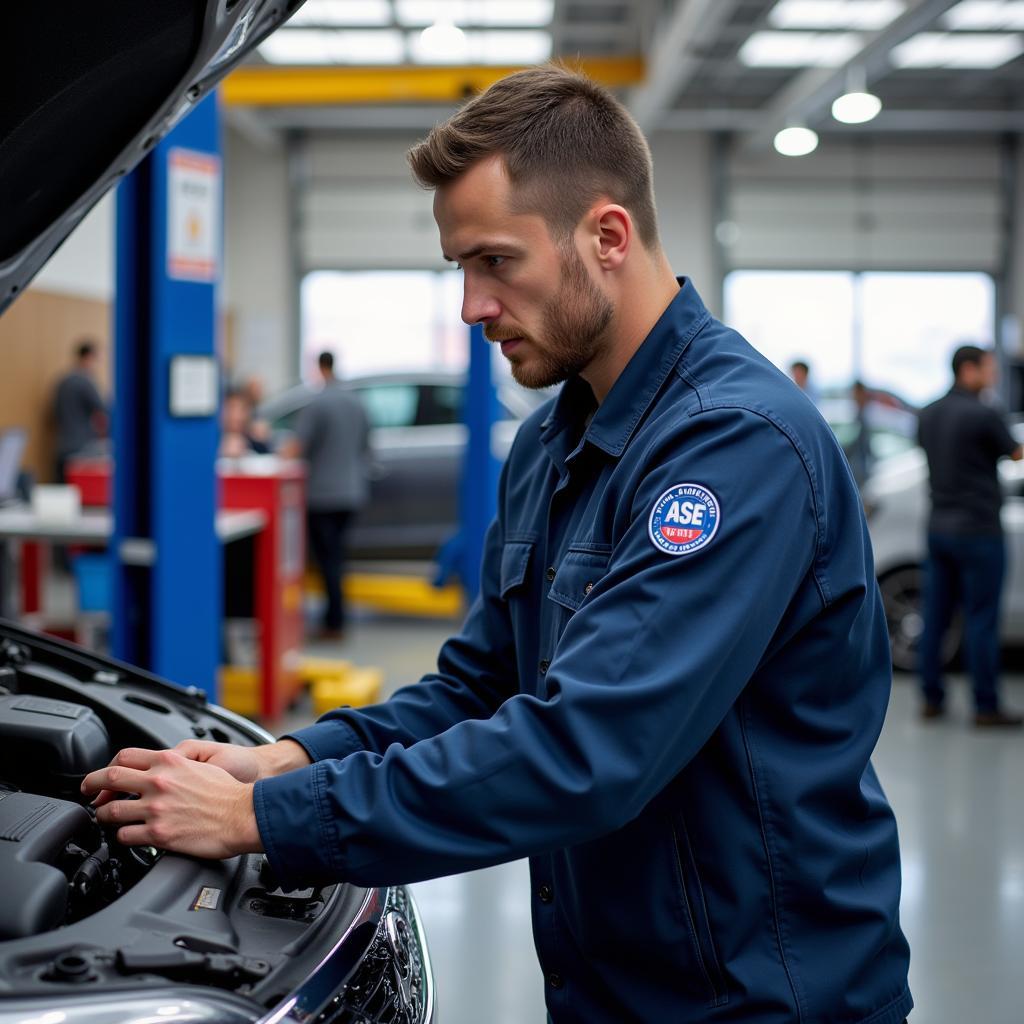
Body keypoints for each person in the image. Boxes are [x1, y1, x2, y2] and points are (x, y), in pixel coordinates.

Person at [82, 67, 912, 1024]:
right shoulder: (554, 442)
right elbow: (479, 687)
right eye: (460, 270)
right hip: (611, 987)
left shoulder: (733, 448)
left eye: (496, 263)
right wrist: (286, 761)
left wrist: (262, 822)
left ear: (607, 236)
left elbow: (588, 750)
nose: (473, 306)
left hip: (761, 997)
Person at [917, 344, 1023, 727]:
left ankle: (931, 699)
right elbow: (1015, 454)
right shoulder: (983, 413)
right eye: (988, 369)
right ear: (968, 370)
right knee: (980, 618)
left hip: (938, 528)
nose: (992, 375)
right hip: (979, 530)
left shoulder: (928, 414)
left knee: (936, 617)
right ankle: (985, 706)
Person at [283, 352, 369, 641]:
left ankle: (334, 622)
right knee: (338, 558)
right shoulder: (356, 402)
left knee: (327, 561)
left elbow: (298, 447)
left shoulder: (318, 404)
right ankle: (336, 618)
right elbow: (365, 445)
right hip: (352, 493)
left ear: (319, 368)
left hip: (322, 496)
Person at [52, 339, 107, 481]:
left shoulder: (63, 380)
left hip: (62, 445)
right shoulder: (85, 381)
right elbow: (102, 409)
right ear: (89, 357)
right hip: (81, 449)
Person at [219, 386, 270, 458]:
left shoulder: (255, 441)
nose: (237, 415)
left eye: (242, 409)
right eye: (231, 408)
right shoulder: (212, 441)